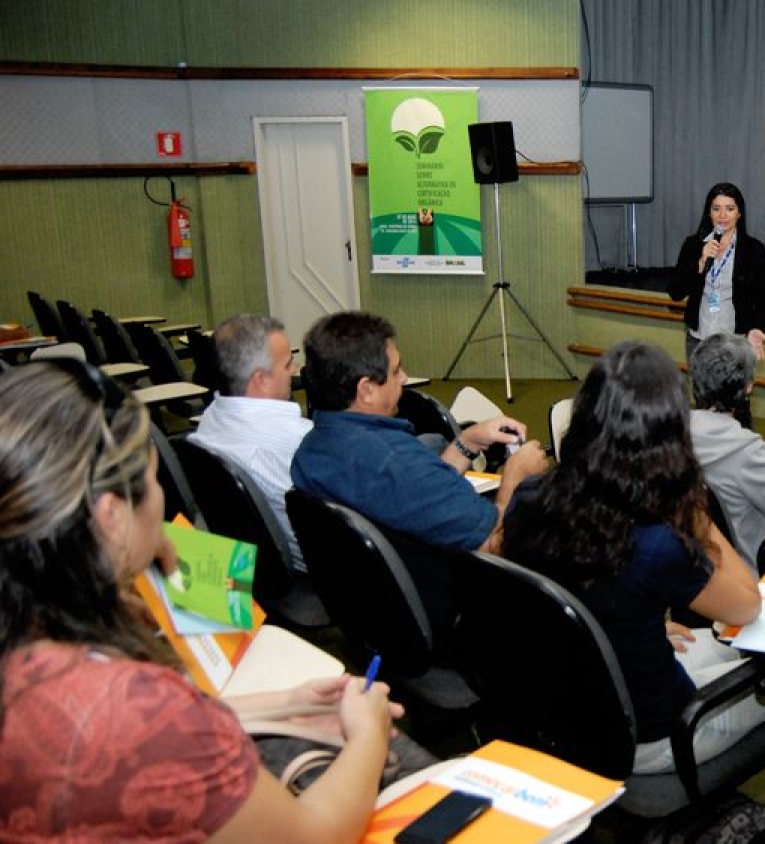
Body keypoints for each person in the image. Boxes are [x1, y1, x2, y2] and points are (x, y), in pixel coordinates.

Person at [0, 360, 403, 842]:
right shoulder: (131, 704)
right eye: (152, 481)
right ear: (111, 517)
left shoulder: (32, 642)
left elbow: (154, 740)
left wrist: (285, 704)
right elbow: (311, 835)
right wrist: (368, 734)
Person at [502, 340, 765, 773]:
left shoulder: (532, 496)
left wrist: (635, 630)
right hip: (652, 733)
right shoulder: (657, 539)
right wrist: (696, 511)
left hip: (568, 702)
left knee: (721, 647)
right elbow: (748, 605)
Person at [290, 311, 547, 637]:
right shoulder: (392, 459)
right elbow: (493, 548)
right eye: (396, 371)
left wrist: (467, 443)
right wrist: (516, 479)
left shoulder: (312, 450)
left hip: (380, 605)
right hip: (453, 611)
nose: (404, 377)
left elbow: (418, 498)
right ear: (366, 389)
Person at [192, 314, 310, 569]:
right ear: (261, 380)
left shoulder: (210, 419)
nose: (294, 371)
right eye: (288, 364)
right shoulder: (300, 442)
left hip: (247, 562)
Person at [689, 333, 765, 570]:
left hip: (693, 566)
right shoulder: (748, 451)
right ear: (748, 387)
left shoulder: (672, 434)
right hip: (746, 572)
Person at [670, 182, 765, 364]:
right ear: (708, 213)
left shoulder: (753, 250)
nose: (722, 215)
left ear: (739, 213)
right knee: (699, 383)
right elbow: (675, 292)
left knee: (735, 384)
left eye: (730, 209)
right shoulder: (693, 245)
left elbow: (764, 300)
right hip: (699, 340)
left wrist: (757, 328)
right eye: (716, 208)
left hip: (736, 342)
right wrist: (700, 262)